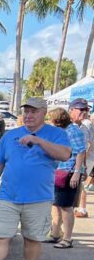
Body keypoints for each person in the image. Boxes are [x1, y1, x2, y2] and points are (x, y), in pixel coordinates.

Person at [0, 97, 72, 260]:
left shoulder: (56, 134)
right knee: (1, 235)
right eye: (26, 111)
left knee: (32, 238)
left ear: (44, 112)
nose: (29, 115)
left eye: (34, 111)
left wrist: (38, 141)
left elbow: (64, 154)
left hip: (39, 198)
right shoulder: (11, 136)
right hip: (9, 195)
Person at [45, 102, 88, 248]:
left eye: (51, 119)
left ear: (57, 120)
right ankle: (55, 234)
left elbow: (81, 152)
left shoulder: (73, 131)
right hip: (59, 171)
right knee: (56, 204)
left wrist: (77, 172)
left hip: (68, 172)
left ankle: (68, 238)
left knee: (66, 206)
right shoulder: (62, 131)